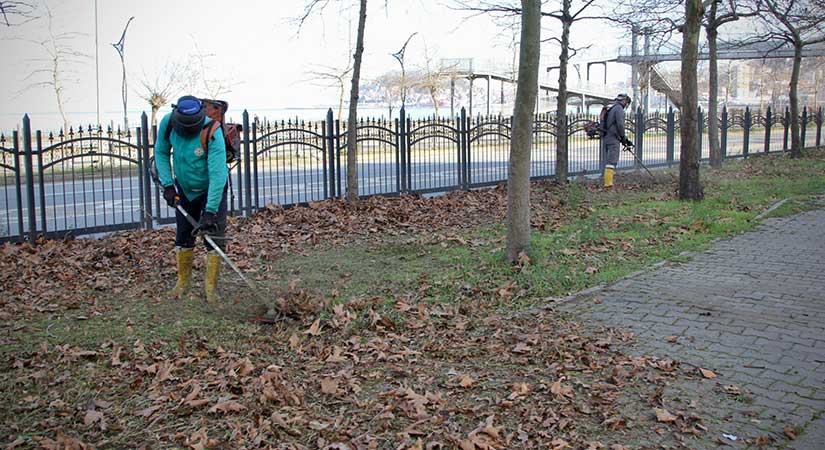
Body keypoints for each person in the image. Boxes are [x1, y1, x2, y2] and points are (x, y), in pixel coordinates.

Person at [154, 95, 228, 303]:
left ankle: (211, 289)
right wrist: (168, 185)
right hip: (184, 189)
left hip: (212, 189)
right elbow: (160, 152)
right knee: (184, 234)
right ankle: (183, 284)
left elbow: (217, 175)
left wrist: (210, 211)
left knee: (214, 236)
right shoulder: (168, 122)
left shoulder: (213, 130)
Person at [603, 93, 633, 188]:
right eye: (627, 103)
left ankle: (607, 182)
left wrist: (625, 140)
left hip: (607, 137)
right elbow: (620, 125)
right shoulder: (619, 109)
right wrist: (623, 137)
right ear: (624, 101)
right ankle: (608, 185)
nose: (626, 106)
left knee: (609, 161)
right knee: (612, 162)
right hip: (613, 138)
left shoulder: (611, 107)